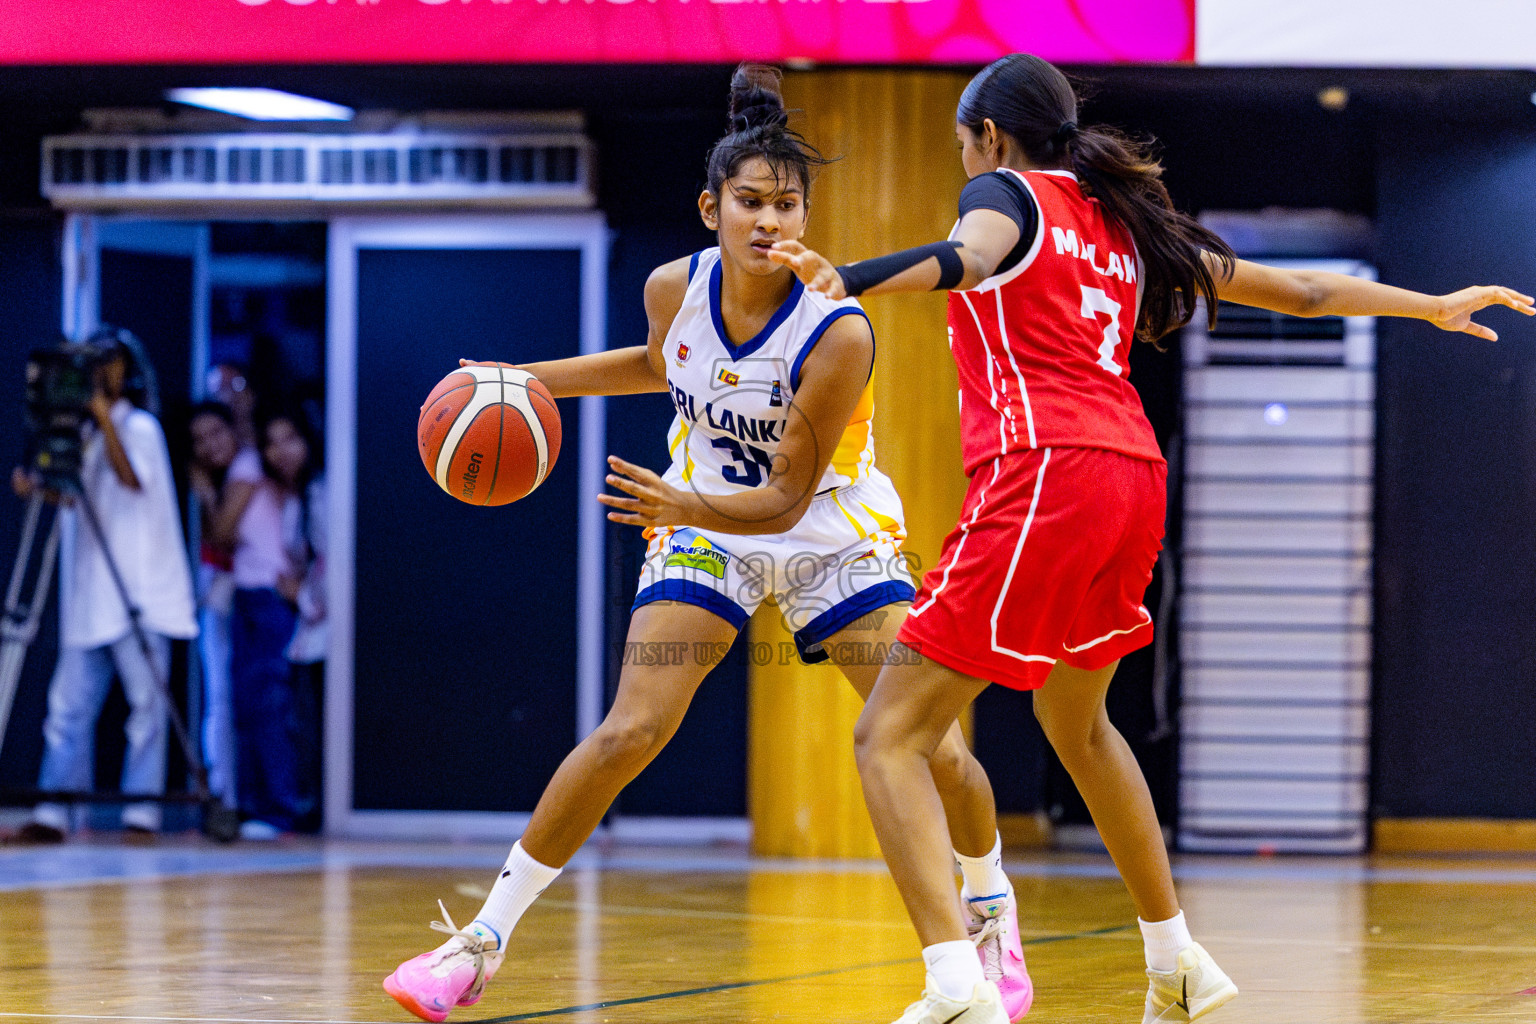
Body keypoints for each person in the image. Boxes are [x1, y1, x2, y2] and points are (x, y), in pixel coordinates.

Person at [766, 53, 1536, 1024]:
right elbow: (1295, 294)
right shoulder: (1125, 224)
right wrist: (1427, 305)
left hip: (1044, 468)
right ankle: (1177, 961)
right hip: (1131, 475)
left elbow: (965, 256)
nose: (966, 163)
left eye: (965, 145)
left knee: (890, 735)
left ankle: (955, 981)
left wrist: (856, 277)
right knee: (1079, 724)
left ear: (991, 139)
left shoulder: (1003, 191)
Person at [383, 66, 1028, 1024]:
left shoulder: (838, 332)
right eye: (751, 202)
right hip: (702, 519)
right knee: (630, 729)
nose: (772, 222)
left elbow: (783, 498)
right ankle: (477, 945)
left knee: (930, 744)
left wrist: (679, 501)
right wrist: (525, 380)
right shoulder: (670, 288)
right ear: (711, 207)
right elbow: (657, 364)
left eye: (789, 205)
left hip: (826, 529)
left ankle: (990, 916)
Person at [9, 332, 198, 843]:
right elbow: (77, 498)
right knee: (67, 707)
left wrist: (101, 412)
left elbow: (132, 479)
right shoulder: (90, 438)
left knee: (146, 709)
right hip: (94, 595)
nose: (97, 376)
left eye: (105, 366)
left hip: (139, 593)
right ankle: (52, 813)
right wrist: (41, 487)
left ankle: (142, 815)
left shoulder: (139, 428)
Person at [228, 408, 319, 838]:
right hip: (264, 603)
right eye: (272, 442)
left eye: (290, 439)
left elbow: (315, 560)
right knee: (253, 706)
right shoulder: (272, 485)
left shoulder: (313, 491)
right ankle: (260, 806)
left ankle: (280, 809)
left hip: (281, 608)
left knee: (272, 707)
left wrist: (299, 593)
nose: (281, 451)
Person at [188, 400, 261, 809]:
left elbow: (221, 534)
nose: (208, 445)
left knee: (232, 701)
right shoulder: (230, 473)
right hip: (224, 599)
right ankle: (226, 796)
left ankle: (229, 799)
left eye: (216, 432)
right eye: (199, 440)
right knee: (222, 700)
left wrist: (202, 491)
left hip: (245, 599)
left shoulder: (246, 465)